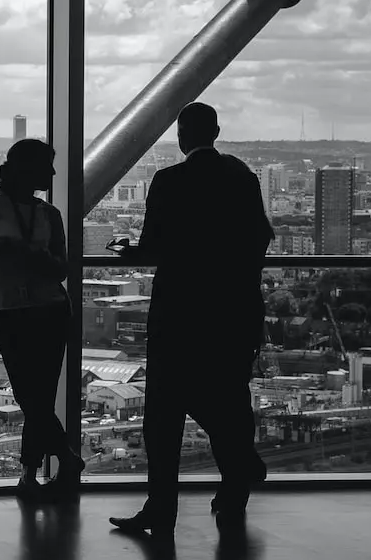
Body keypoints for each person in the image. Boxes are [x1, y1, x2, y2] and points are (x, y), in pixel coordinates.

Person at [108, 103, 274, 535]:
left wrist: (128, 252)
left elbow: (153, 248)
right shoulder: (243, 178)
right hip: (233, 311)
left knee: (164, 415)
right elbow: (261, 238)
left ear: (182, 136)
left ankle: (162, 509)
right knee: (229, 396)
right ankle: (236, 482)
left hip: (180, 313)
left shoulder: (170, 181)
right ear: (216, 131)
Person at [0, 138, 79, 501]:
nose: (52, 173)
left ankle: (30, 474)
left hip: (40, 310)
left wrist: (26, 255)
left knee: (35, 396)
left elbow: (61, 266)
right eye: (46, 166)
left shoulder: (46, 213)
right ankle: (60, 459)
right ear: (27, 170)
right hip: (28, 310)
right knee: (32, 396)